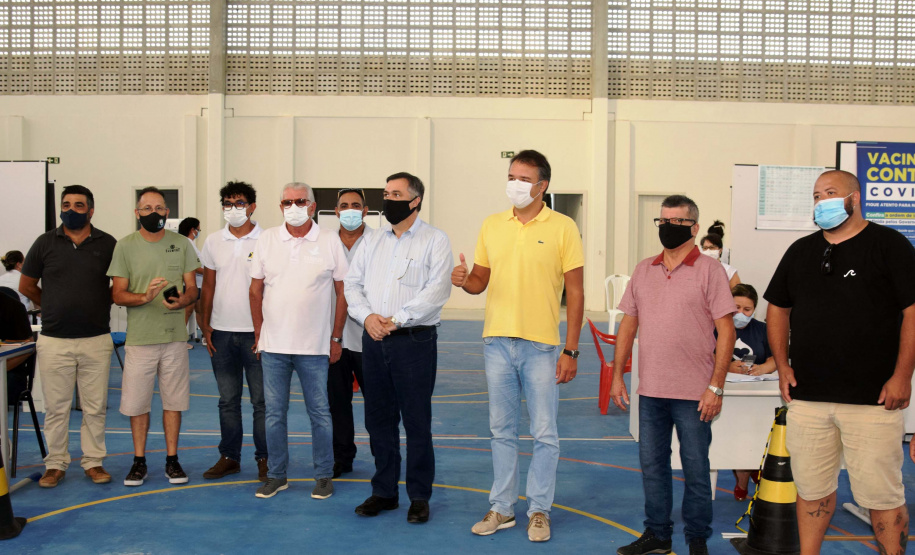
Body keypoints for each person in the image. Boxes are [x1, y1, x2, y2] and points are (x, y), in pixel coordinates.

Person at [766, 170, 915, 555]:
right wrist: (782, 366)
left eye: (831, 193)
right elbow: (778, 310)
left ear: (855, 198)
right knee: (812, 490)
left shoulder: (889, 245)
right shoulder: (801, 251)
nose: (822, 201)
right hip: (809, 398)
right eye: (816, 195)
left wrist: (902, 376)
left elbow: (913, 313)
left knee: (881, 496)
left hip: (873, 399)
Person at [453, 150, 584, 542]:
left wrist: (571, 350)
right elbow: (480, 282)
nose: (515, 184)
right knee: (501, 431)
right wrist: (462, 279)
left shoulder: (564, 227)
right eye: (512, 176)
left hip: (542, 346)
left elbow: (576, 292)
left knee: (544, 433)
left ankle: (539, 510)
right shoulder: (492, 225)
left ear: (542, 186)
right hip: (496, 342)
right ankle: (502, 508)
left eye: (524, 178)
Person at [610, 195, 735, 555]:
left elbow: (726, 331)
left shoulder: (710, 271)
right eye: (662, 221)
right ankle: (658, 534)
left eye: (676, 222)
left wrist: (716, 385)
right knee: (653, 467)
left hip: (696, 392)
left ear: (694, 229)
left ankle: (697, 536)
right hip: (651, 390)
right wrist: (619, 375)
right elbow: (629, 324)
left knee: (696, 469)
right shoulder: (644, 269)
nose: (666, 227)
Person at [344, 172, 452, 524]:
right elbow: (352, 284)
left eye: (396, 193)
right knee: (379, 420)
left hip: (414, 342)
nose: (388, 199)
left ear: (415, 200)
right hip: (373, 340)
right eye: (386, 193)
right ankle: (384, 491)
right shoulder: (372, 241)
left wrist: (397, 318)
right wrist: (368, 316)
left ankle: (419, 495)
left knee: (417, 421)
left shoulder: (435, 240)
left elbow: (437, 291)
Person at [249, 182, 347, 501]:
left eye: (300, 200)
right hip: (274, 347)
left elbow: (343, 291)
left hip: (315, 348)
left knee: (320, 412)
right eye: (287, 202)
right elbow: (255, 290)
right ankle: (277, 476)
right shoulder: (266, 240)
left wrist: (335, 337)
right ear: (279, 207)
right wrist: (259, 333)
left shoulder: (330, 240)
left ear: (313, 205)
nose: (293, 206)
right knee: (274, 413)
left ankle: (323, 476)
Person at [19, 185, 117, 488]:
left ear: (90, 210)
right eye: (66, 204)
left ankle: (93, 462)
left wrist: (97, 302)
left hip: (96, 339)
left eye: (78, 204)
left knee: (95, 406)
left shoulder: (108, 243)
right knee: (57, 407)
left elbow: (120, 285)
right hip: (54, 341)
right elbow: (27, 285)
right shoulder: (45, 242)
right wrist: (51, 304)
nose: (71, 209)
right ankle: (56, 464)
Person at [107, 186, 201, 487]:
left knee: (173, 402)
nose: (153, 213)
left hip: (174, 338)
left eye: (159, 208)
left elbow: (193, 289)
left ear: (167, 212)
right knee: (137, 404)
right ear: (137, 213)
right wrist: (145, 296)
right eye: (146, 208)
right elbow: (118, 294)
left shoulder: (182, 244)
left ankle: (173, 460)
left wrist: (183, 301)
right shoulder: (124, 246)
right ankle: (139, 461)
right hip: (140, 340)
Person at [198, 181, 268, 482]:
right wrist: (204, 322)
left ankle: (265, 459)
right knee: (228, 400)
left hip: (257, 334)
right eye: (227, 203)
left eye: (239, 203)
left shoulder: (267, 239)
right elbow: (209, 284)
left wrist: (265, 329)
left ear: (252, 206)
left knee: (262, 402)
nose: (234, 208)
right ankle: (229, 457)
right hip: (222, 334)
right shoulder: (213, 241)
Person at [328, 188, 374, 479]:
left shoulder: (379, 242)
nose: (349, 210)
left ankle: (383, 455)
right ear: (335, 211)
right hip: (332, 339)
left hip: (369, 338)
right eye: (344, 205)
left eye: (355, 205)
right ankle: (342, 457)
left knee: (377, 403)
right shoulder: (325, 243)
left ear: (366, 211)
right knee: (337, 404)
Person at [725, 283, 775, 501]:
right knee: (738, 433)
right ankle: (744, 476)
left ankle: (751, 470)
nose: (741, 314)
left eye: (747, 310)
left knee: (759, 431)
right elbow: (704, 357)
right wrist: (726, 365)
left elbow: (776, 358)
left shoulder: (763, 329)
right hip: (728, 399)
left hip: (758, 396)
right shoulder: (716, 326)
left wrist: (762, 368)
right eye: (736, 308)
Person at [178, 217, 205, 345]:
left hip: (198, 284)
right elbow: (192, 266)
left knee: (200, 310)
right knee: (187, 311)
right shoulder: (187, 243)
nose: (199, 231)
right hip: (190, 285)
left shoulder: (191, 243)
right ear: (192, 230)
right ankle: (180, 339)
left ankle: (206, 336)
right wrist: (210, 273)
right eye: (198, 229)